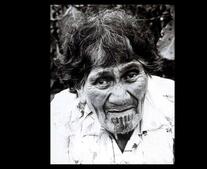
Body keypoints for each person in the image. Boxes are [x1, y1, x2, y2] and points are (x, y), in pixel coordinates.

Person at [51, 9, 174, 164]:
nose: (120, 97)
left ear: (147, 72)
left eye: (130, 75)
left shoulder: (171, 102)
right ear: (79, 87)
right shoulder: (60, 117)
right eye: (102, 81)